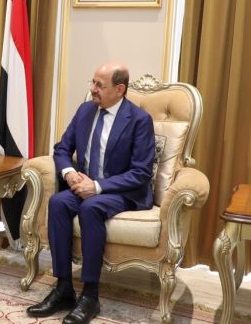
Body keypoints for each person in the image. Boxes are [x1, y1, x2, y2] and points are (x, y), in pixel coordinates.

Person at [26, 62, 155, 324]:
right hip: (83, 183)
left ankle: (90, 295)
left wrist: (96, 187)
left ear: (120, 89)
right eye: (93, 82)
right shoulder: (85, 110)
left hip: (122, 190)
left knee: (90, 207)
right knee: (58, 202)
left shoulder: (139, 120)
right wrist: (68, 174)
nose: (93, 89)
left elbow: (141, 173)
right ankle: (63, 288)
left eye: (100, 85)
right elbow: (62, 148)